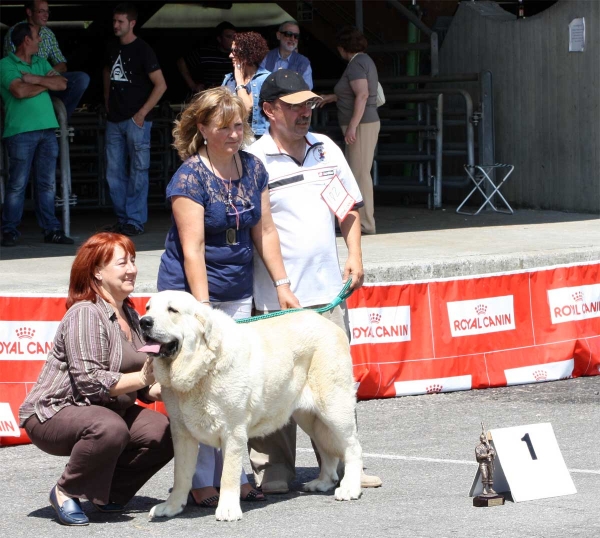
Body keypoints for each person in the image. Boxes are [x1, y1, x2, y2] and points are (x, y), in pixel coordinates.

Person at [156, 86, 299, 506]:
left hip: (236, 286)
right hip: (189, 296)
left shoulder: (254, 168)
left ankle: (230, 477)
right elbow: (193, 248)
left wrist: (282, 285)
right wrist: (202, 313)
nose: (234, 134)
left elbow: (266, 230)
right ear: (202, 128)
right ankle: (200, 480)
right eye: (223, 127)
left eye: (238, 125)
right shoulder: (189, 177)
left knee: (231, 387)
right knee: (193, 389)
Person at [246, 69, 382, 493]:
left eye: (309, 104)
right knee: (273, 384)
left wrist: (355, 255)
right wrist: (281, 282)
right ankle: (274, 468)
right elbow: (257, 228)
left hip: (327, 296)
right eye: (294, 106)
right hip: (275, 298)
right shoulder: (252, 159)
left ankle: (345, 464)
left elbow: (348, 208)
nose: (306, 112)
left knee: (335, 385)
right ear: (269, 110)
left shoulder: (325, 148)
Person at [18, 232, 174, 526]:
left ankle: (106, 494)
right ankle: (66, 491)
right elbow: (90, 381)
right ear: (97, 272)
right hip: (56, 411)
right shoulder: (86, 313)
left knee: (165, 430)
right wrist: (142, 376)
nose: (131, 269)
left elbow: (145, 382)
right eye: (122, 263)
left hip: (107, 409)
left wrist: (179, 390)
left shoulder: (130, 312)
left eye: (133, 260)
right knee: (109, 427)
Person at [0, 22, 74, 247]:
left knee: (47, 184)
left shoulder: (40, 62)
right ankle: (8, 230)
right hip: (21, 131)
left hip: (47, 130)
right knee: (17, 184)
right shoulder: (5, 64)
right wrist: (45, 84)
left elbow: (62, 83)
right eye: (37, 37)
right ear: (26, 41)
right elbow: (19, 90)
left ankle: (51, 230)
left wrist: (35, 79)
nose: (40, 40)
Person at [103, 2, 167, 236]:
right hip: (115, 119)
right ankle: (124, 218)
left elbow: (161, 85)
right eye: (114, 21)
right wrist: (107, 100)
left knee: (139, 170)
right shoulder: (112, 47)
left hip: (137, 121)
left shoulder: (143, 49)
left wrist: (141, 114)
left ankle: (135, 220)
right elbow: (107, 71)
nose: (115, 25)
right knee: (114, 172)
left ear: (132, 23)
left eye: (120, 21)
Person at [318, 26, 380, 235]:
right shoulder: (364, 61)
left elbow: (362, 95)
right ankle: (362, 221)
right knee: (359, 172)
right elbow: (354, 93)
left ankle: (364, 224)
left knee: (359, 174)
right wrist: (331, 97)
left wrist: (352, 126)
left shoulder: (355, 65)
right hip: (365, 123)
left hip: (361, 125)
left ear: (343, 48)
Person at [3, 0, 90, 120]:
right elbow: (13, 64)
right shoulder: (16, 31)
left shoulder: (48, 34)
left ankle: (57, 120)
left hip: (46, 79)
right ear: (29, 12)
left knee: (81, 79)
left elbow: (62, 64)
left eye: (47, 11)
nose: (46, 15)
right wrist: (42, 80)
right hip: (25, 81)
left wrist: (46, 77)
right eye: (41, 11)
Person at [222, 31, 270, 138]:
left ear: (248, 53)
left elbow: (246, 108)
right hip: (233, 136)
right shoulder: (229, 79)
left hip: (256, 138)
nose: (230, 55)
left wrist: (239, 81)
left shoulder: (264, 79)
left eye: (235, 51)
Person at [177, 21, 236, 96]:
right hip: (209, 97)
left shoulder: (239, 55)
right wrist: (193, 85)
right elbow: (181, 62)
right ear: (219, 39)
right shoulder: (205, 52)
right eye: (228, 37)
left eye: (234, 37)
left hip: (231, 96)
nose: (232, 40)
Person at [260, 21, 313, 89]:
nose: (292, 39)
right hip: (268, 98)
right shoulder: (266, 57)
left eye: (296, 36)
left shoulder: (304, 62)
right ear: (278, 35)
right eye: (288, 34)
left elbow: (307, 90)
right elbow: (259, 83)